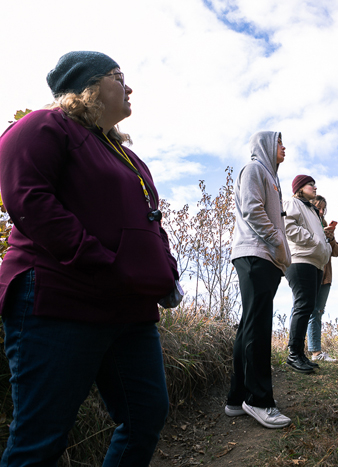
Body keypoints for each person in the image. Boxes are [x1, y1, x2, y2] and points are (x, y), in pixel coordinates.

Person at [0, 51, 179, 466]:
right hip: (59, 299)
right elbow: (29, 201)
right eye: (120, 77)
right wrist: (99, 259)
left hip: (128, 308)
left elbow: (149, 221)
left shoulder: (126, 156)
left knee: (146, 415)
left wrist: (166, 273)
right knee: (40, 440)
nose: (130, 87)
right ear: (90, 87)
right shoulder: (40, 127)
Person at [224, 131, 293, 429]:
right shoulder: (254, 169)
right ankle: (259, 400)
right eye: (279, 142)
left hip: (265, 258)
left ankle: (237, 398)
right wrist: (277, 240)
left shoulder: (271, 178)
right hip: (254, 255)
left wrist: (278, 250)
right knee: (258, 327)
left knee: (249, 324)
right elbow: (252, 210)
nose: (284, 147)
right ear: (266, 145)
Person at [284, 176, 332, 373]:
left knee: (308, 307)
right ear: (299, 188)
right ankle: (294, 354)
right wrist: (313, 240)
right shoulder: (292, 202)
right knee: (303, 306)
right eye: (310, 184)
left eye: (314, 183)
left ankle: (301, 354)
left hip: (315, 263)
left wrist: (325, 245)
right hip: (300, 260)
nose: (314, 187)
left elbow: (320, 238)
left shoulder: (311, 210)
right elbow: (288, 227)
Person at [307, 195, 338, 362]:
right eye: (318, 207)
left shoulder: (325, 225)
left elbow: (336, 252)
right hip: (310, 271)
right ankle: (312, 352)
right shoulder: (306, 222)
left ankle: (315, 351)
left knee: (318, 311)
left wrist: (330, 236)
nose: (321, 211)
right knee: (306, 310)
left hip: (326, 276)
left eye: (323, 208)